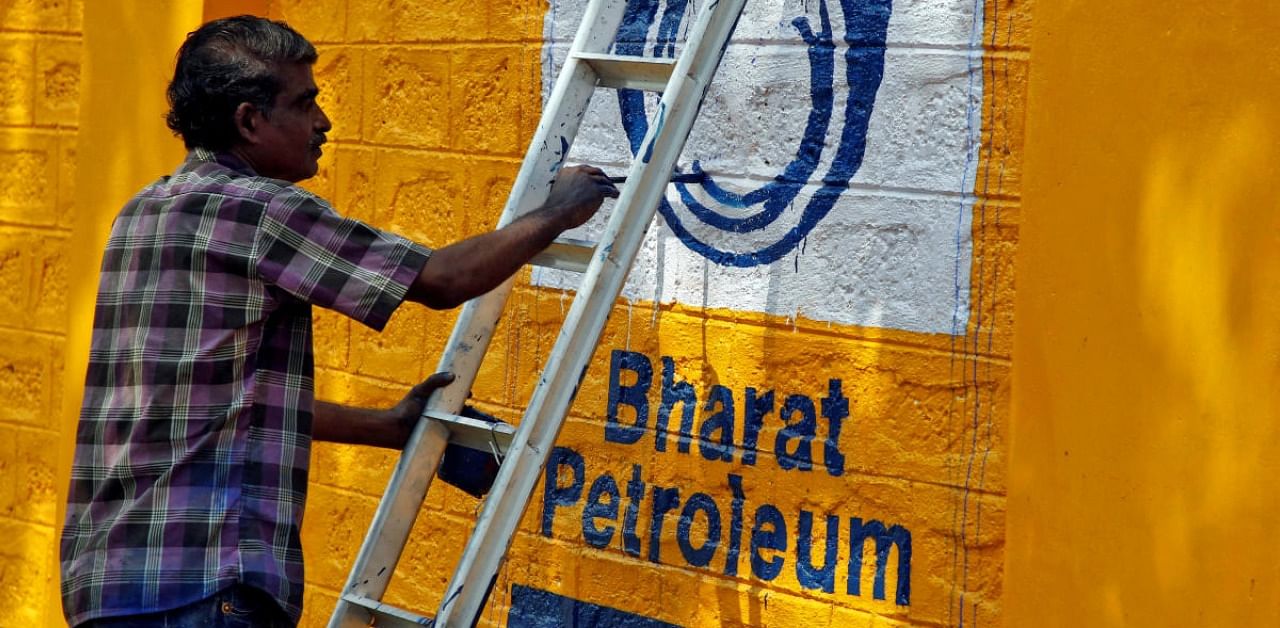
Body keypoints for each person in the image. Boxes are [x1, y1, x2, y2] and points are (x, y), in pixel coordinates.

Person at [59, 15, 618, 628]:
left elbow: (214, 399)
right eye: (305, 104)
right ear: (249, 120)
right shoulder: (261, 210)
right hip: (203, 584)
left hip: (109, 582)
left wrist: (386, 427)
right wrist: (557, 214)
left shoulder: (142, 212)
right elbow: (441, 281)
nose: (322, 123)